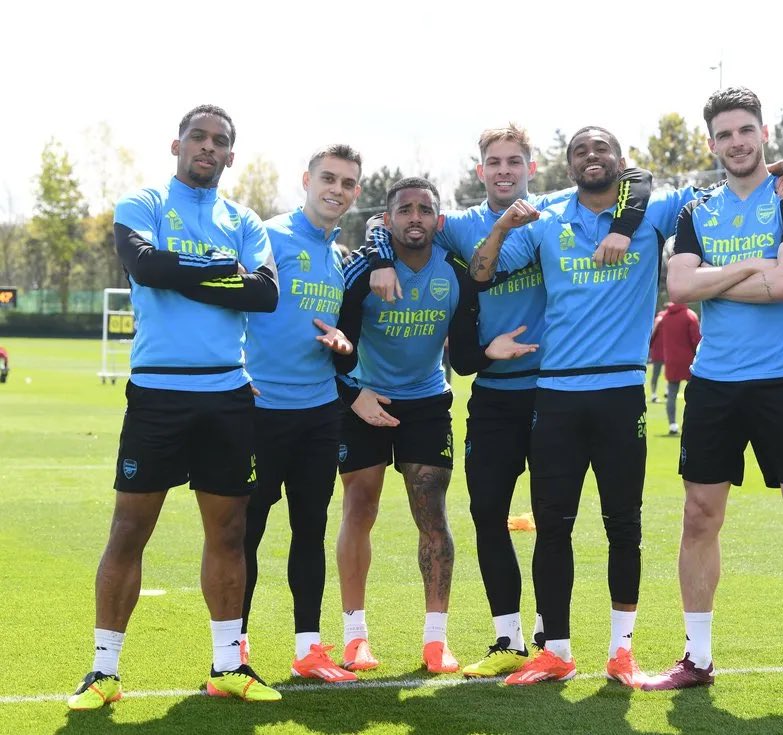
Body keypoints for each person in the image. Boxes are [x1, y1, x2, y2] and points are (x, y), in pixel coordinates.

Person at [466, 124, 783, 688]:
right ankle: (555, 649)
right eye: (580, 151)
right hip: (554, 392)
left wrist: (782, 165)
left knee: (622, 526)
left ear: (620, 160)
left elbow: (725, 176)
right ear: (569, 165)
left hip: (622, 390)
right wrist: (503, 226)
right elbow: (482, 275)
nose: (591, 157)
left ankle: (620, 650)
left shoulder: (656, 211)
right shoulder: (549, 219)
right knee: (553, 526)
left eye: (601, 148)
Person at [363, 124, 651, 678]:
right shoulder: (458, 227)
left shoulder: (553, 213)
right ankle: (507, 638)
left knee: (552, 518)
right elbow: (389, 224)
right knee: (487, 513)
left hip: (552, 392)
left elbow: (635, 180)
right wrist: (379, 258)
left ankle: (549, 635)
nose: (503, 171)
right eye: (493, 162)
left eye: (513, 161)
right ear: (481, 171)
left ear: (531, 168)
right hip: (493, 395)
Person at [647, 88, 783, 709]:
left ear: (763, 133)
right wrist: (750, 269)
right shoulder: (696, 207)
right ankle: (697, 657)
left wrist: (722, 275)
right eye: (724, 134)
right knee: (698, 518)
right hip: (712, 385)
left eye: (746, 131)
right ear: (711, 143)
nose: (736, 142)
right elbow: (680, 284)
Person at [68, 104, 282, 709]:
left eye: (219, 141)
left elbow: (264, 294)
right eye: (198, 137)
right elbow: (144, 264)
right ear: (177, 144)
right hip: (159, 393)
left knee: (231, 532)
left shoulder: (243, 220)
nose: (207, 148)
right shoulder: (142, 205)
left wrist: (181, 270)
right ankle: (104, 672)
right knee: (130, 529)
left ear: (231, 155)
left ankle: (226, 665)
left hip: (227, 395)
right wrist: (218, 268)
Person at [334, 177, 536, 675]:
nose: (415, 217)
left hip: (425, 403)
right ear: (387, 219)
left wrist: (489, 352)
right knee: (359, 509)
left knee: (433, 515)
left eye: (425, 209)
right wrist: (354, 396)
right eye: (405, 209)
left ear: (438, 220)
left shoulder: (457, 274)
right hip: (365, 399)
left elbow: (462, 358)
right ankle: (355, 637)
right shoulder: (364, 269)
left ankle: (435, 640)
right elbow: (334, 349)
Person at [237, 144, 363, 684]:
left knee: (309, 531)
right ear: (305, 180)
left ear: (356, 193)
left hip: (319, 413)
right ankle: (232, 650)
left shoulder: (339, 256)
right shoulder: (269, 236)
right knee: (245, 533)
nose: (336, 189)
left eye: (348, 183)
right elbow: (230, 304)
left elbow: (343, 337)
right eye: (328, 178)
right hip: (261, 411)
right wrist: (234, 371)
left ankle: (309, 649)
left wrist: (342, 344)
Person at [656, 302, 701, 434]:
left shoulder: (665, 317)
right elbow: (696, 340)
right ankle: (692, 423)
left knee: (671, 394)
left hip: (671, 360)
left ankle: (672, 425)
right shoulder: (690, 316)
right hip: (689, 361)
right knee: (694, 394)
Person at [648, 312, 665, 403]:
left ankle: (655, 394)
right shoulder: (661, 319)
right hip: (664, 351)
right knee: (657, 374)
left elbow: (651, 335)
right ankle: (654, 394)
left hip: (659, 351)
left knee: (656, 374)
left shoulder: (659, 319)